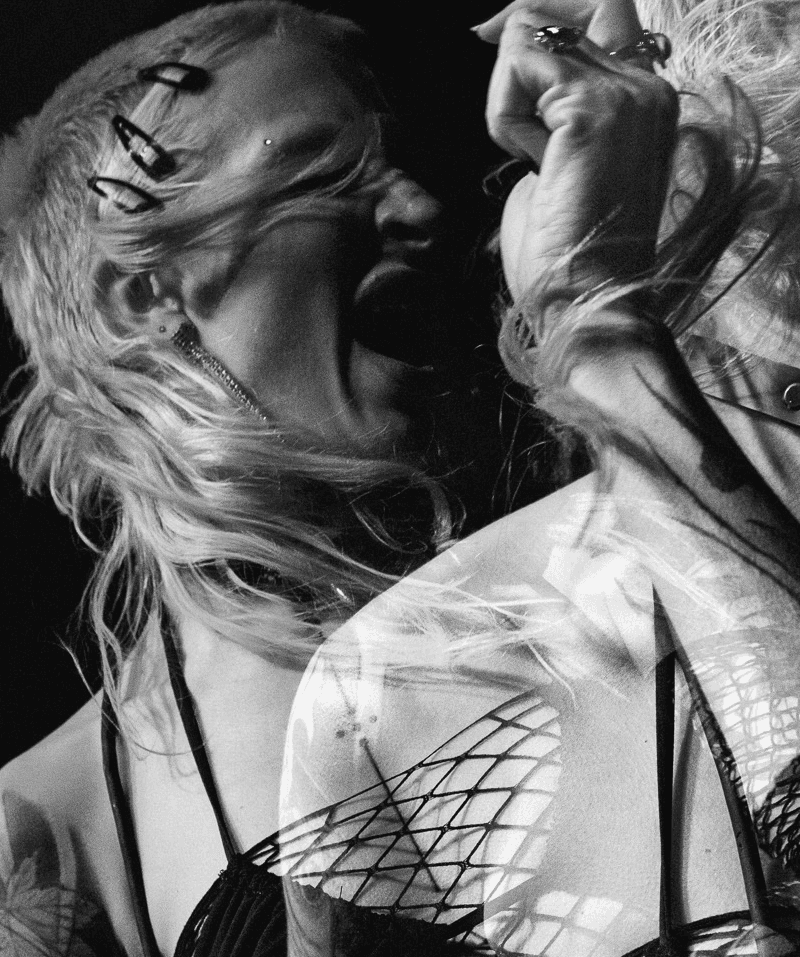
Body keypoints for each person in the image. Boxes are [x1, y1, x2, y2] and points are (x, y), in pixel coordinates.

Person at [0, 1, 798, 957]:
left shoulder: (634, 542)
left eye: (397, 164)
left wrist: (605, 322)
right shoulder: (50, 835)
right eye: (322, 173)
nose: (420, 208)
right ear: (139, 296)